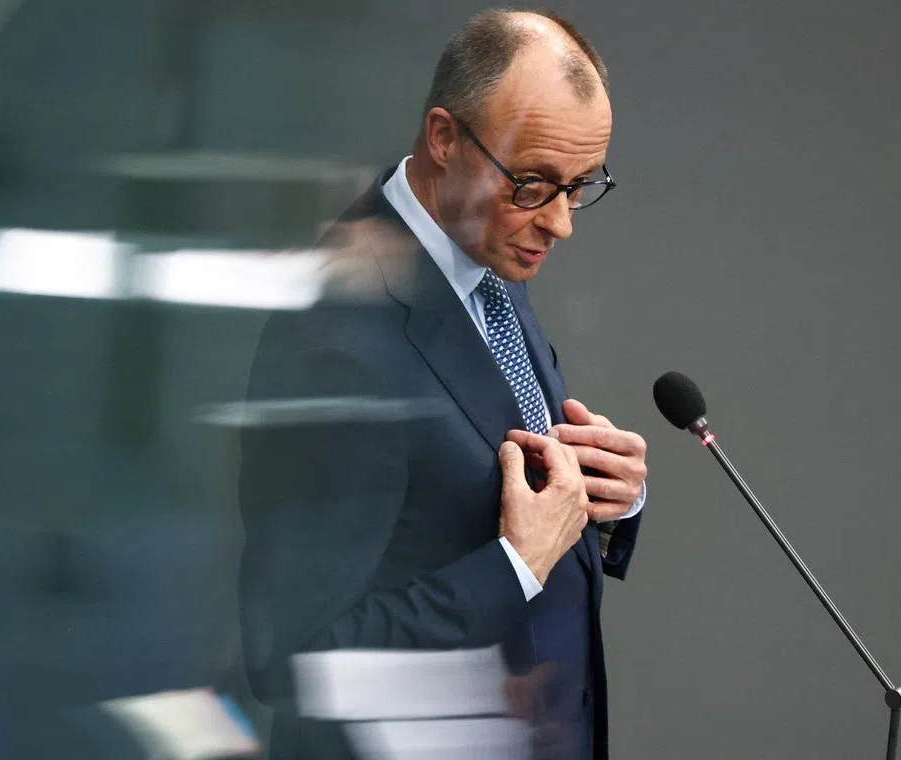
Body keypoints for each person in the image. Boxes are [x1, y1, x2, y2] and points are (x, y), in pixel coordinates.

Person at [238, 10, 648, 760]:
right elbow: (292, 659)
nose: (560, 222)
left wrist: (599, 489)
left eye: (579, 186)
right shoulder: (337, 339)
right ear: (444, 138)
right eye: (534, 183)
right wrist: (512, 567)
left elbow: (469, 487)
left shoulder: (484, 247)